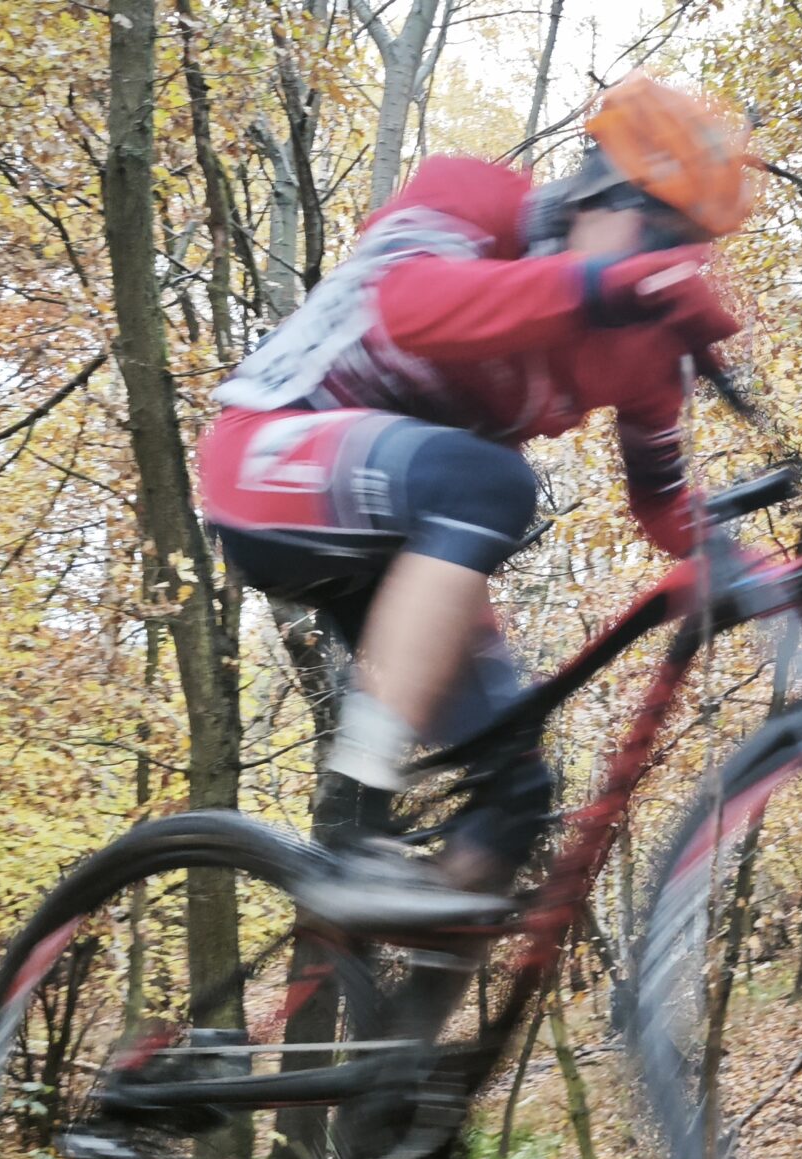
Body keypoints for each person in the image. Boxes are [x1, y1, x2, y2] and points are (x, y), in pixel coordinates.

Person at [198, 72, 754, 931]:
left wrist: (750, 567)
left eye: (687, 249)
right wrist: (597, 289)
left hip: (402, 543)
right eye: (656, 232)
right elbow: (412, 307)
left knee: (516, 794)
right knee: (488, 480)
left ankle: (409, 1009)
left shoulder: (637, 344)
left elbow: (661, 497)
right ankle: (357, 817)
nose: (668, 261)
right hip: (267, 460)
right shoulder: (471, 197)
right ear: (594, 190)